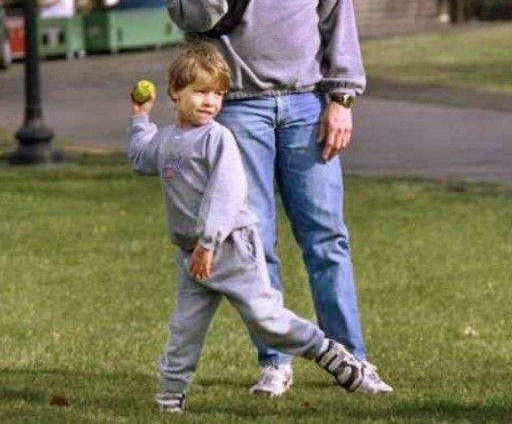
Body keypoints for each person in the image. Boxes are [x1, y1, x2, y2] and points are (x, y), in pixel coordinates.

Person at [162, 0, 392, 396]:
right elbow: (186, 13)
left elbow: (338, 18)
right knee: (253, 240)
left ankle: (352, 359)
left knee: (327, 238)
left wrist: (341, 98)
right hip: (235, 109)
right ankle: (275, 360)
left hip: (308, 106)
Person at [128, 42, 370, 413]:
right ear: (176, 92)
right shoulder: (166, 140)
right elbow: (141, 157)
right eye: (201, 91)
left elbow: (226, 193)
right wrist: (140, 118)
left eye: (219, 94)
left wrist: (209, 243)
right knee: (184, 330)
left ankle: (327, 351)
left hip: (229, 247)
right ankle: (169, 397)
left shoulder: (218, 138)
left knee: (268, 321)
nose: (211, 102)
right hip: (193, 256)